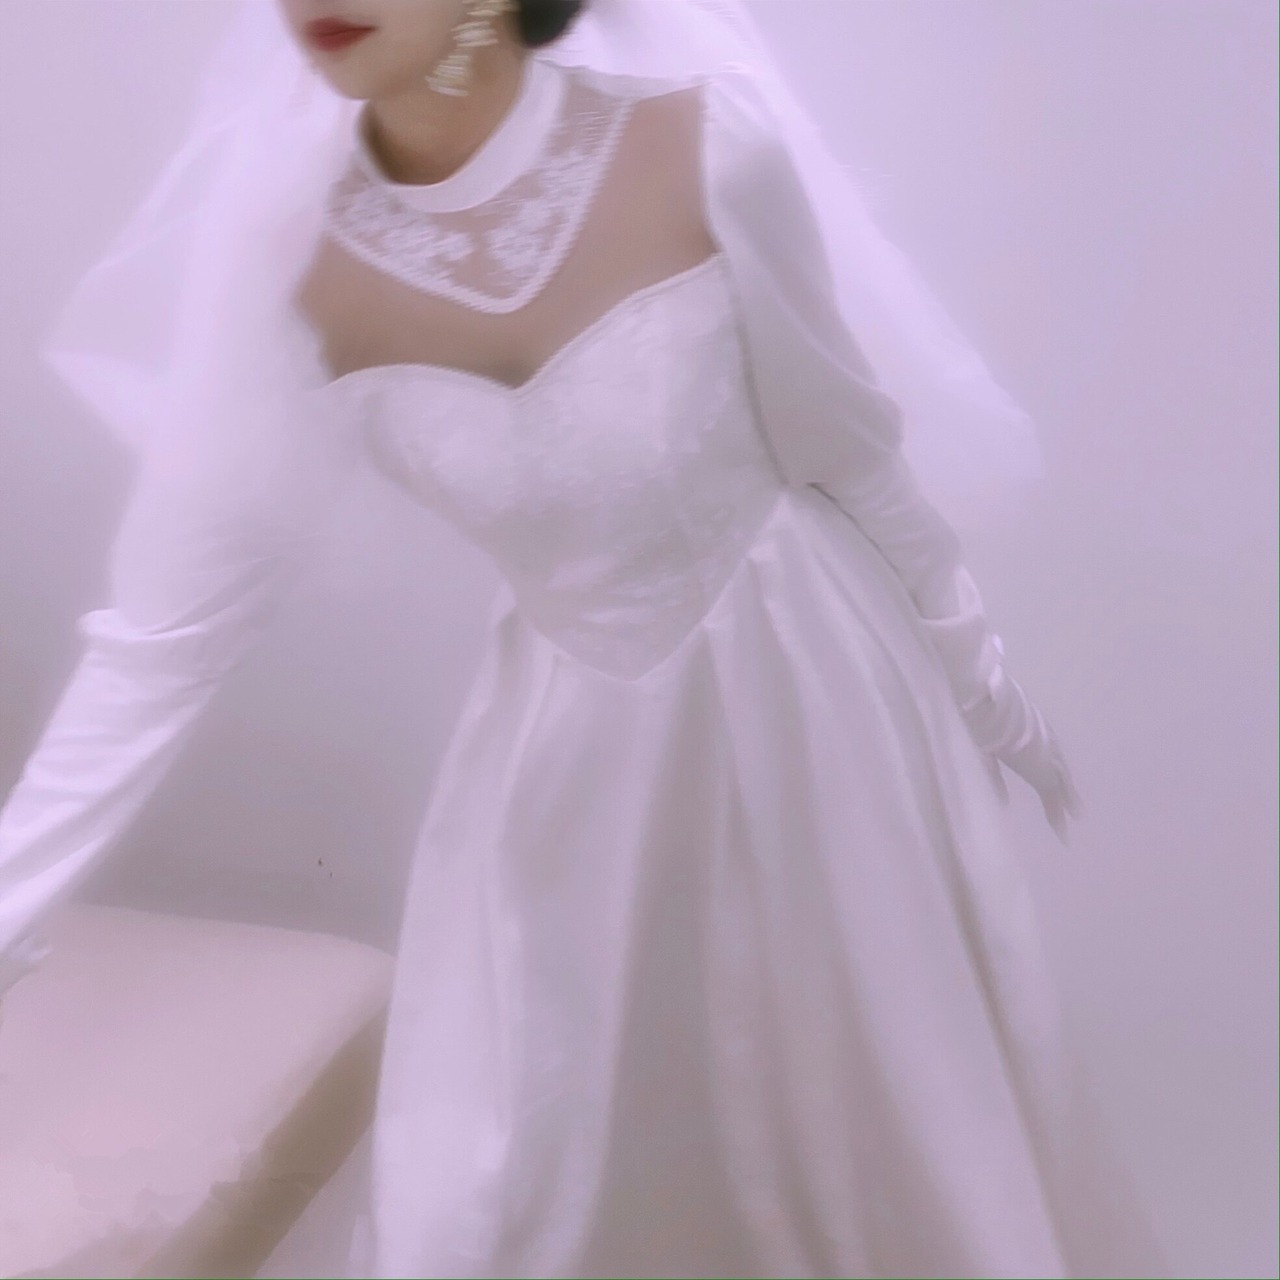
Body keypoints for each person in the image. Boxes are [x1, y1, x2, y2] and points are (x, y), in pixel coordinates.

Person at [0, 1, 1170, 1276]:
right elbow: (162, 635)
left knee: (878, 1113)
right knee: (517, 1186)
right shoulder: (291, 268)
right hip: (577, 781)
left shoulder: (705, 147)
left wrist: (983, 687)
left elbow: (845, 444)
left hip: (818, 717)